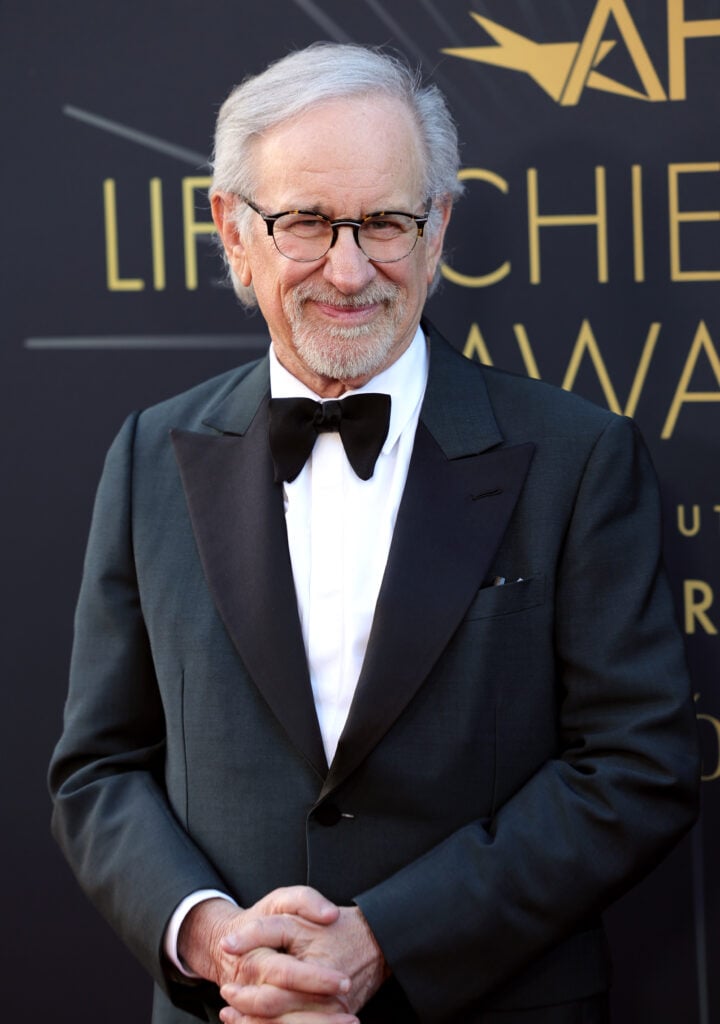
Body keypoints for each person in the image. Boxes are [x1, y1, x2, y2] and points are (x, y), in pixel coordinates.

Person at [49, 42, 699, 1024]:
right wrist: (215, 938)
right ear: (234, 230)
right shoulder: (148, 457)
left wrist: (387, 937)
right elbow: (98, 770)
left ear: (437, 228)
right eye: (306, 222)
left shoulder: (578, 456)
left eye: (386, 222)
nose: (348, 271)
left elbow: (637, 765)